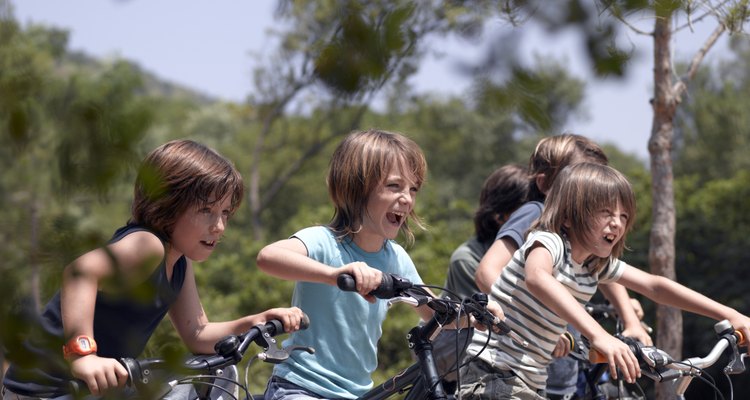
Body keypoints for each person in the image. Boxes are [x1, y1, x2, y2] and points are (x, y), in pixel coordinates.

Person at [2, 139, 305, 399]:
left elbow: (198, 334)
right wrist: (83, 355)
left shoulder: (179, 262)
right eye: (206, 210)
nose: (219, 226)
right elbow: (80, 273)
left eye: (225, 212)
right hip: (43, 390)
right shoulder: (147, 245)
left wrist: (255, 320)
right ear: (167, 205)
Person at [458, 162, 750, 400]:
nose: (617, 223)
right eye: (606, 213)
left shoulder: (593, 265)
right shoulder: (549, 242)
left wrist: (730, 314)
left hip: (527, 382)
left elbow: (654, 286)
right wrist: (600, 335)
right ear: (570, 217)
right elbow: (537, 278)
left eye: (624, 216)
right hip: (491, 376)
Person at [257, 129, 503, 400]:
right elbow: (269, 257)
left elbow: (433, 312)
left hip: (356, 393)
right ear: (356, 188)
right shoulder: (323, 241)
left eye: (413, 189)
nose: (407, 198)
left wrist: (471, 313)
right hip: (300, 386)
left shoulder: (395, 258)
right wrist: (334, 274)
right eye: (394, 186)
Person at [472, 134, 651, 400]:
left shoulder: (582, 238)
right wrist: (521, 323)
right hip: (513, 360)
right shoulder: (537, 215)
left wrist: (630, 319)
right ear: (545, 184)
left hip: (554, 363)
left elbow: (601, 271)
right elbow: (488, 272)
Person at [432, 164, 529, 389]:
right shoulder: (467, 259)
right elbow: (492, 321)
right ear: (500, 217)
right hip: (451, 348)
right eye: (524, 213)